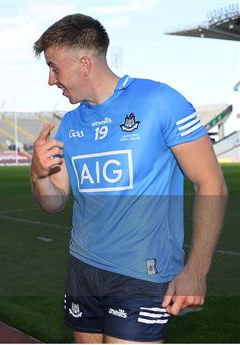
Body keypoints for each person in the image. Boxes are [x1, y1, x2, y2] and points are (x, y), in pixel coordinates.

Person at [30, 14, 228, 343]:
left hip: (141, 275)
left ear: (84, 64)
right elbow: (54, 202)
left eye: (54, 67)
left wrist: (196, 271)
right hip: (83, 270)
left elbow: (212, 185)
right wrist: (38, 176)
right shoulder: (68, 125)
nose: (51, 80)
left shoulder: (161, 102)